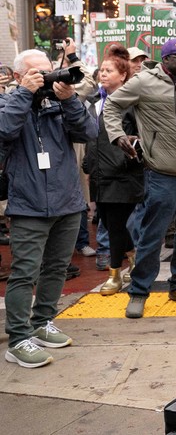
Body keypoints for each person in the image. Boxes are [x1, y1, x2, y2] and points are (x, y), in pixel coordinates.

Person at [103, 38, 176, 319]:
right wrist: (117, 136)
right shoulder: (144, 82)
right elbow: (112, 106)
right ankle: (139, 291)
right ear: (166, 60)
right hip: (160, 172)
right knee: (153, 235)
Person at [1, 48, 97, 368]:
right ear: (18, 76)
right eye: (37, 73)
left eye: (48, 71)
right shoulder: (8, 102)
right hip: (28, 204)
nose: (46, 78)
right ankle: (17, 339)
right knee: (25, 273)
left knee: (56, 268)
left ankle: (42, 322)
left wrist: (69, 99)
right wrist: (24, 95)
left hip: (67, 202)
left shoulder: (60, 102)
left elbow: (89, 132)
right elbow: (3, 130)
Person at [83, 45, 144, 295]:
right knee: (106, 222)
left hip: (123, 175)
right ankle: (135, 258)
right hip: (99, 174)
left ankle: (115, 274)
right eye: (102, 70)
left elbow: (141, 138)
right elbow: (90, 136)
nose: (103, 74)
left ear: (123, 76)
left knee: (116, 225)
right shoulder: (94, 102)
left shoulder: (131, 104)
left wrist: (126, 159)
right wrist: (88, 162)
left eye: (109, 70)